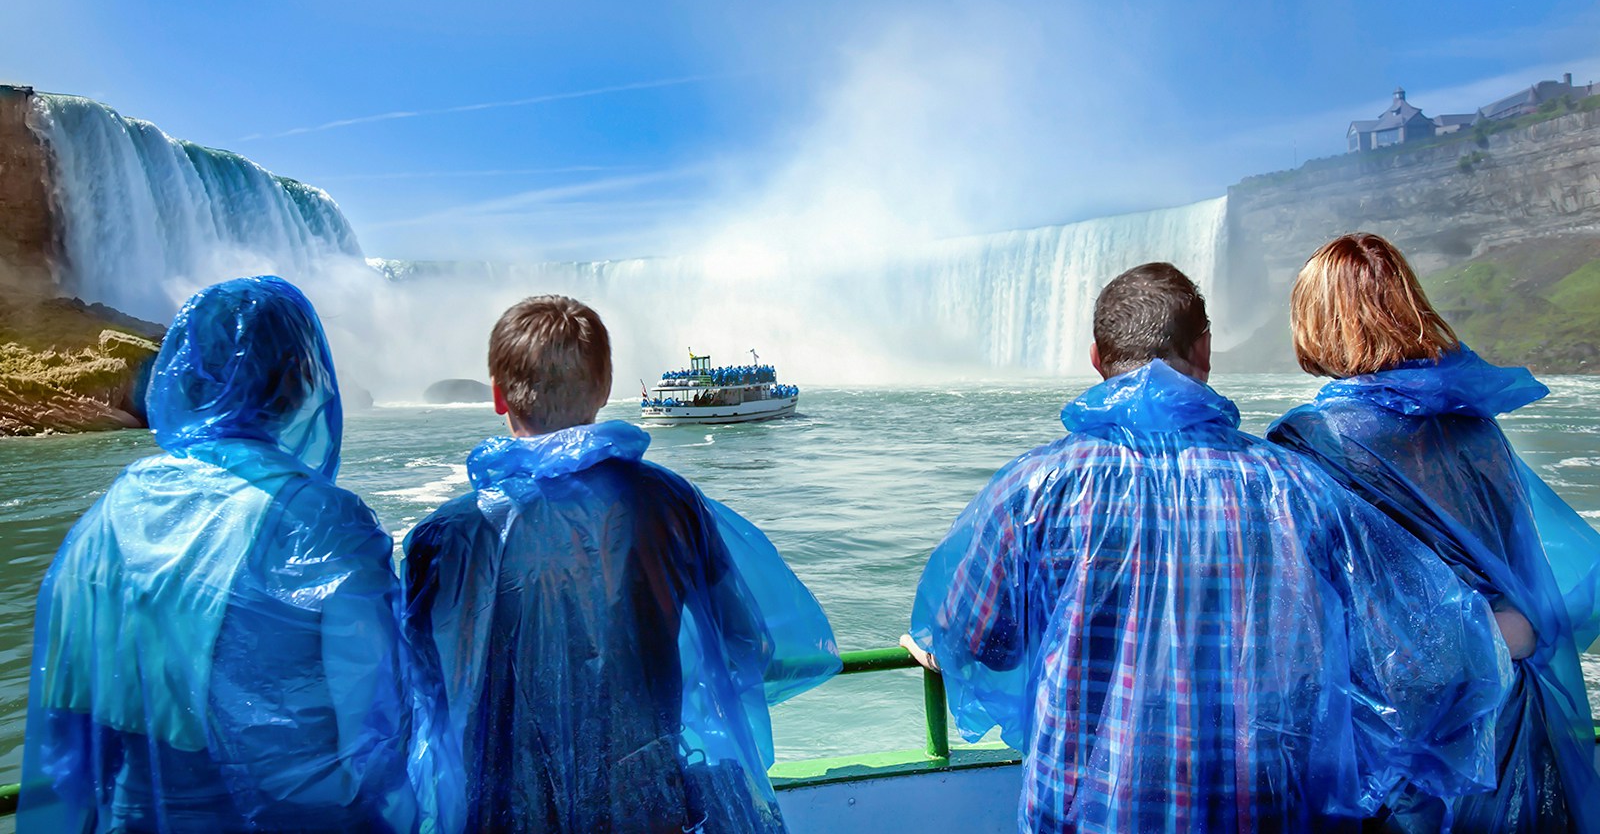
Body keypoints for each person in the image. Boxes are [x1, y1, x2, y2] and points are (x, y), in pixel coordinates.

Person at [906, 262, 1512, 833]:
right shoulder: (1299, 487)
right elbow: (1415, 655)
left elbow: (976, 639)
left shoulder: (1032, 487)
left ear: (1097, 360)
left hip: (1085, 816)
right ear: (1203, 351)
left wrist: (936, 647)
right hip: (1260, 814)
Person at [401, 295, 839, 834]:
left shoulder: (442, 536)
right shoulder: (669, 505)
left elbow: (416, 689)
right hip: (641, 799)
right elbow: (748, 644)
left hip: (500, 809)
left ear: (497, 395)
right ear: (606, 389)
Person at [18, 276, 422, 833]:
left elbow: (71, 717)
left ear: (185, 377)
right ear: (303, 380)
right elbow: (374, 716)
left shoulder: (115, 512)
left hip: (135, 816)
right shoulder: (327, 524)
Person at [1267, 232, 1600, 832]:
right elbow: (1524, 577)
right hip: (1504, 710)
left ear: (1315, 323)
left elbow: (1294, 615)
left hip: (1392, 737)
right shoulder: (1476, 429)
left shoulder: (1310, 440)